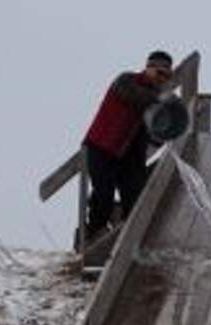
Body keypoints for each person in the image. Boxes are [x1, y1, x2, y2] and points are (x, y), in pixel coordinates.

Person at [81, 50, 174, 245]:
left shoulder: (155, 98)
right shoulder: (126, 81)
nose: (162, 78)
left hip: (130, 155)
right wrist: (164, 103)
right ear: (148, 68)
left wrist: (165, 130)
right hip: (101, 148)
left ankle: (128, 243)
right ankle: (92, 238)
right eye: (159, 73)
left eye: (167, 75)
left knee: (135, 201)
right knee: (103, 196)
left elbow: (154, 136)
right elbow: (137, 98)